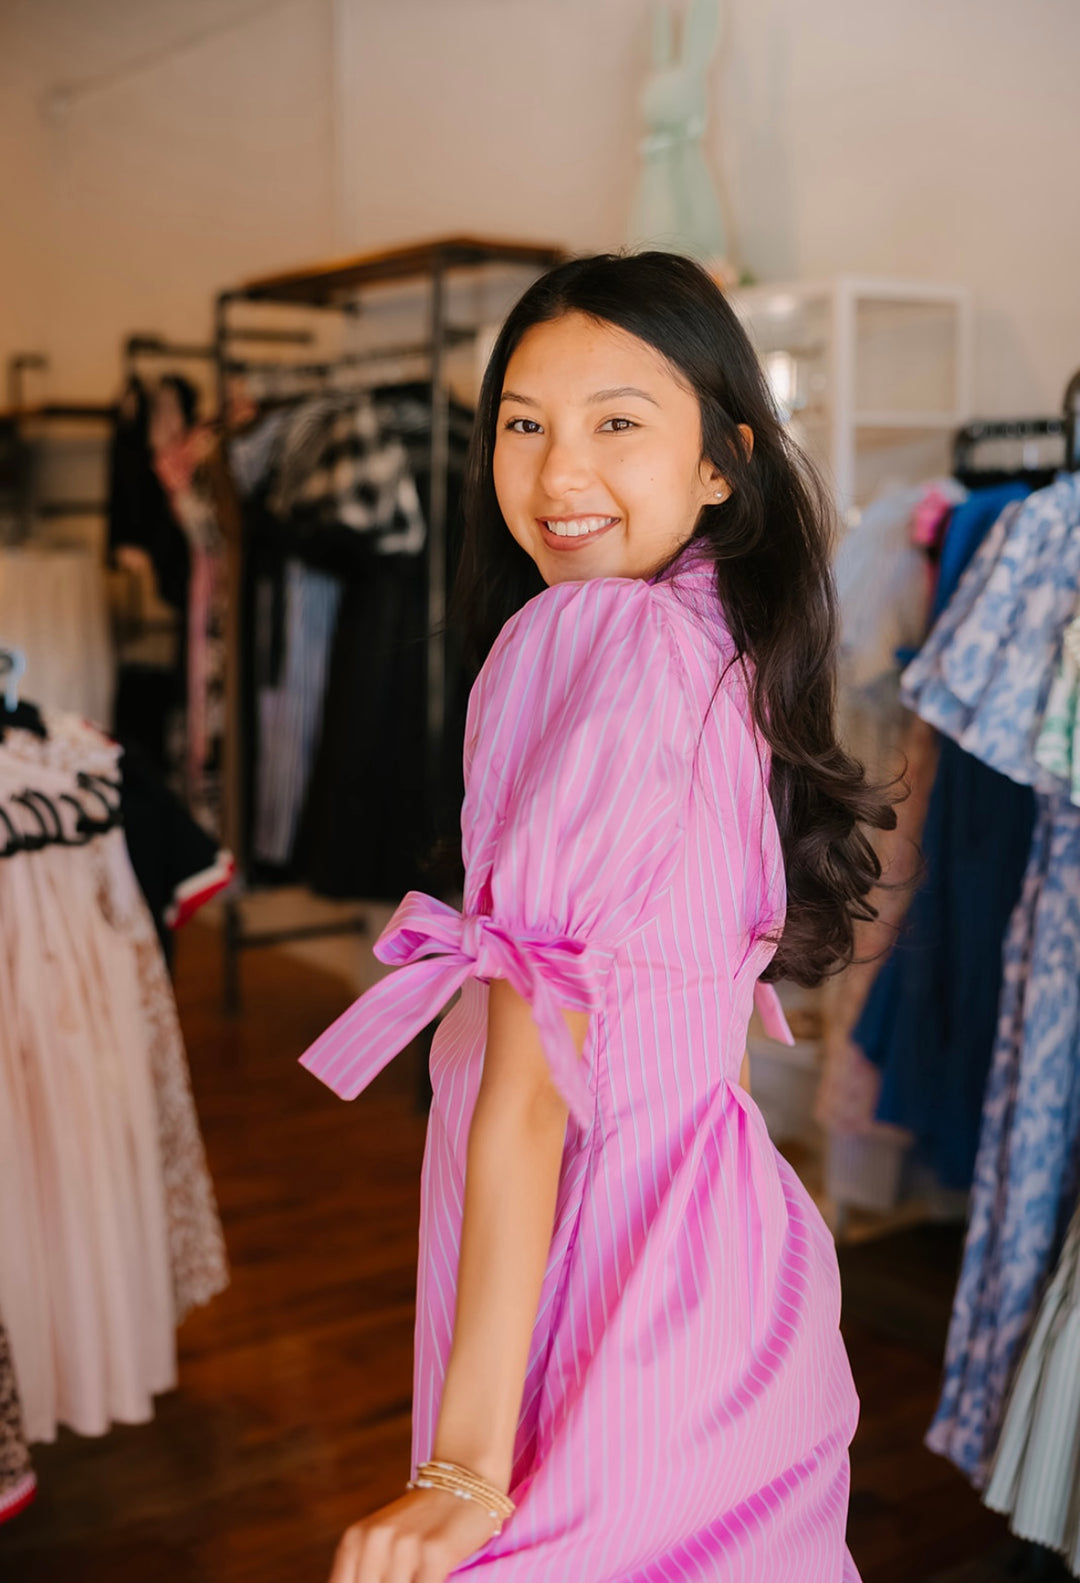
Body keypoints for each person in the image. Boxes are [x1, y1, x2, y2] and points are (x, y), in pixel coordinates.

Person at [300, 251, 896, 1582]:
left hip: (610, 1269)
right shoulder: (703, 634)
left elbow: (528, 1092)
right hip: (726, 1255)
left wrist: (461, 1466)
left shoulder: (613, 645)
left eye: (616, 422)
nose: (558, 476)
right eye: (524, 425)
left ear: (720, 461)